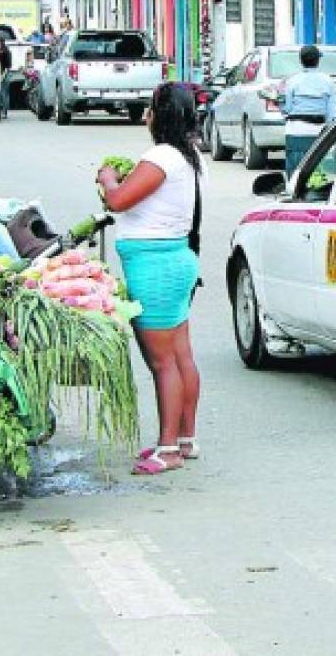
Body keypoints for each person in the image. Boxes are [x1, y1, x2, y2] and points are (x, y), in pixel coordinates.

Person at [96, 83, 205, 476]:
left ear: (161, 115)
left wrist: (109, 178)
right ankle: (185, 439)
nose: (146, 115)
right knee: (180, 356)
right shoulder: (190, 158)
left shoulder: (161, 156)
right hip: (175, 262)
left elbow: (118, 201)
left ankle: (168, 448)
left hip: (155, 269)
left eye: (150, 108)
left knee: (162, 363)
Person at [281, 45, 336, 177]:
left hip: (296, 131)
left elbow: (287, 108)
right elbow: (332, 113)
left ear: (301, 61)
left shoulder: (292, 81)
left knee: (295, 172)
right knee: (320, 171)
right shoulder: (327, 81)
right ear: (318, 61)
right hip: (319, 132)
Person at [0, 37, 14, 118]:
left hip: (4, 74)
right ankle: (3, 110)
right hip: (2, 73)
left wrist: (3, 76)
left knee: (3, 93)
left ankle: (4, 111)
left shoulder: (5, 52)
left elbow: (7, 66)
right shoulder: (1, 51)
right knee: (3, 93)